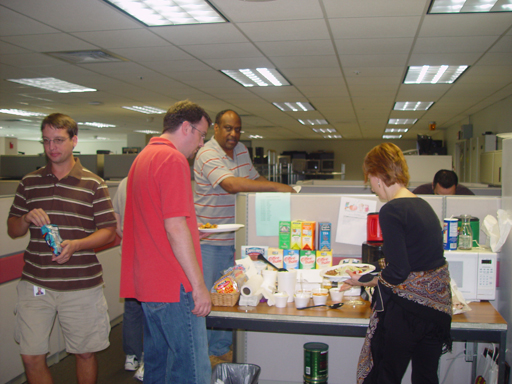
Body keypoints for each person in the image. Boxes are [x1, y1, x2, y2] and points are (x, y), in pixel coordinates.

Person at [7, 113, 117, 384]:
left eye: (58, 140)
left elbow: (108, 231)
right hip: (36, 283)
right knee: (31, 356)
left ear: (74, 140)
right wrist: (25, 218)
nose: (52, 147)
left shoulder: (94, 183)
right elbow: (13, 230)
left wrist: (77, 244)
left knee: (84, 354)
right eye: (46, 141)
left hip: (81, 284)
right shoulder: (29, 182)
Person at [343, 143, 452, 384]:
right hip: (437, 311)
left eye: (368, 178)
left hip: (408, 315)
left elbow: (399, 271)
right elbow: (417, 262)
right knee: (425, 377)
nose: (370, 186)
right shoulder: (423, 205)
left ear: (377, 175)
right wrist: (369, 278)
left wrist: (372, 281)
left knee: (384, 376)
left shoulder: (391, 210)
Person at [120, 100, 212, 384]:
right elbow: (173, 227)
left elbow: (153, 221)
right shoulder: (173, 160)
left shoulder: (144, 157)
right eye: (201, 135)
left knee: (158, 366)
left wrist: (192, 233)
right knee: (191, 370)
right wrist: (199, 288)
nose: (201, 144)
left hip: (149, 285)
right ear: (187, 127)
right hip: (174, 286)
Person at [194, 109, 295, 364]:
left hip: (237, 240)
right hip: (211, 242)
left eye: (238, 129)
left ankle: (221, 349)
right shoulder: (207, 153)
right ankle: (202, 357)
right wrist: (276, 186)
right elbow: (232, 184)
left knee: (232, 298)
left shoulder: (240, 151)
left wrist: (277, 191)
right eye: (228, 128)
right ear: (215, 128)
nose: (233, 134)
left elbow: (252, 178)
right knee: (210, 301)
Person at [112, 177, 144, 381]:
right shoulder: (151, 178)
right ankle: (150, 357)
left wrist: (122, 234)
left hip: (130, 252)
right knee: (153, 307)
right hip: (150, 254)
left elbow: (114, 215)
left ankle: (132, 355)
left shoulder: (125, 181)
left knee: (132, 306)